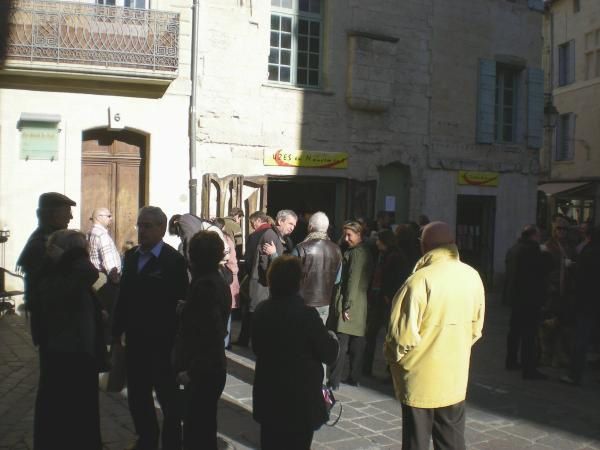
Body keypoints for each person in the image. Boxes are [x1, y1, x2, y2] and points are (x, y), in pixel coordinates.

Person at [384, 222, 485, 450]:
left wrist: (396, 362)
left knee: (415, 442)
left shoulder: (419, 281)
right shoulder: (473, 276)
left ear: (424, 247)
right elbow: (476, 329)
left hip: (420, 378)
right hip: (455, 376)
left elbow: (399, 337)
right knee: (452, 441)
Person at [112, 206, 189, 450]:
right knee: (138, 397)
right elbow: (123, 298)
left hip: (162, 343)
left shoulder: (173, 261)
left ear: (161, 229)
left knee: (168, 399)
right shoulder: (132, 256)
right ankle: (146, 439)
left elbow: (180, 301)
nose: (141, 230)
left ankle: (172, 443)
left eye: (147, 226)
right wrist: (116, 332)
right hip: (136, 341)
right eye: (140, 225)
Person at [252, 256, 339, 450]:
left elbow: (256, 347)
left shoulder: (262, 310)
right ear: (298, 282)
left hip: (270, 395)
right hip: (299, 400)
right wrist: (332, 338)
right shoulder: (307, 315)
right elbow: (328, 353)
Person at [34, 229, 106, 450]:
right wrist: (68, 257)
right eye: (81, 252)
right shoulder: (57, 277)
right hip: (67, 356)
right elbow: (90, 272)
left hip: (76, 353)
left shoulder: (65, 274)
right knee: (71, 416)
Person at [174, 231, 232, 449]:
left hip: (204, 369)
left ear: (193, 256)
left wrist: (192, 372)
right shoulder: (214, 280)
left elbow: (210, 334)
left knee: (197, 431)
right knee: (203, 426)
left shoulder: (205, 286)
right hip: (213, 367)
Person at [17, 192, 76, 346]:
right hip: (52, 327)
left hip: (58, 325)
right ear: (52, 214)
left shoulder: (51, 240)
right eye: (67, 212)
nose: (71, 217)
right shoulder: (41, 245)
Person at [327, 220, 374, 389]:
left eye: (350, 235)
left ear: (359, 235)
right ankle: (354, 377)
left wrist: (347, 305)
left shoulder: (357, 253)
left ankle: (334, 380)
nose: (346, 238)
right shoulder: (361, 251)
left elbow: (353, 281)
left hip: (351, 301)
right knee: (356, 342)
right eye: (345, 234)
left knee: (342, 341)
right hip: (358, 302)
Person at [504, 225, 552, 379]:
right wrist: (545, 253)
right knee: (529, 334)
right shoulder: (533, 251)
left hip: (516, 296)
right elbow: (545, 268)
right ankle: (528, 368)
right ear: (534, 236)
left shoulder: (514, 249)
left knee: (515, 331)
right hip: (530, 298)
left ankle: (511, 360)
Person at [363, 229, 409, 377]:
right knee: (375, 335)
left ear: (384, 241)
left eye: (378, 240)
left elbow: (395, 279)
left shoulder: (394, 257)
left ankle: (391, 372)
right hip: (380, 301)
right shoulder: (384, 255)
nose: (376, 243)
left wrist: (388, 296)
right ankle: (369, 368)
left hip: (387, 302)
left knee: (390, 337)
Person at [560, 225, 600, 386]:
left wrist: (571, 266)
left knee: (581, 338)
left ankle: (574, 374)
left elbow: (583, 276)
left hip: (587, 301)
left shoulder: (589, 252)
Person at [292, 211, 342, 324]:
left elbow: (289, 276)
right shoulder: (337, 249)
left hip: (301, 302)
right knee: (317, 337)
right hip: (324, 303)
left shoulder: (300, 248)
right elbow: (337, 280)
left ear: (310, 226)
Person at [235, 211, 271, 347]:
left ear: (258, 221)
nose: (251, 225)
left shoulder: (255, 235)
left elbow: (249, 259)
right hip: (268, 279)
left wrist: (249, 274)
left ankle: (245, 339)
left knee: (250, 310)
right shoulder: (273, 234)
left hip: (256, 279)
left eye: (251, 223)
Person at [87, 207, 122, 343]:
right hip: (105, 281)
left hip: (95, 278)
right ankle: (107, 347)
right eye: (108, 216)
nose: (111, 218)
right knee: (109, 315)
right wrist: (116, 280)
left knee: (99, 313)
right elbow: (109, 261)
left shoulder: (90, 233)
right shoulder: (101, 235)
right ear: (99, 217)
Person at [214, 217, 240, 349]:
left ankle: (224, 343)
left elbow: (228, 258)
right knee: (227, 311)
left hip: (226, 276)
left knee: (223, 311)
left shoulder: (222, 240)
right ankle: (226, 342)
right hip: (230, 276)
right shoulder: (228, 238)